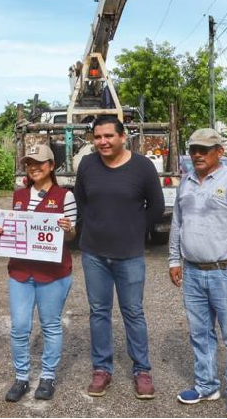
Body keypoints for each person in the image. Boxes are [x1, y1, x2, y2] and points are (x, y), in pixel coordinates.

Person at [168, 128, 227, 419]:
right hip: (193, 273)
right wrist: (174, 259)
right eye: (194, 148)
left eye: (204, 149)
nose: (197, 154)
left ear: (219, 152)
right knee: (200, 334)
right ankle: (206, 386)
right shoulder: (186, 182)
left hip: (226, 272)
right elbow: (177, 224)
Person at [74, 114, 164, 400]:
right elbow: (81, 201)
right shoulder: (87, 165)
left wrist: (135, 231)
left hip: (130, 255)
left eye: (108, 136)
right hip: (94, 254)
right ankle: (102, 369)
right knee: (99, 312)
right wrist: (94, 228)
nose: (102, 142)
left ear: (123, 137)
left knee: (133, 312)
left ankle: (142, 371)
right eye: (97, 137)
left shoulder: (142, 167)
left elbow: (157, 206)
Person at [0, 144, 78, 402]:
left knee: (50, 325)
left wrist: (67, 228)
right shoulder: (19, 197)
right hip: (20, 272)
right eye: (29, 163)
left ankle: (48, 376)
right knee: (19, 327)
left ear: (52, 166)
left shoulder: (65, 196)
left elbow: (72, 236)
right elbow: (14, 229)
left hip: (52, 273)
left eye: (40, 163)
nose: (34, 168)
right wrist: (1, 232)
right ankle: (21, 378)